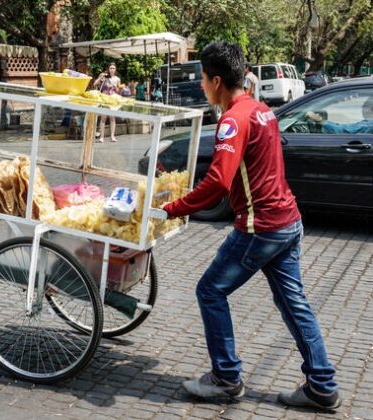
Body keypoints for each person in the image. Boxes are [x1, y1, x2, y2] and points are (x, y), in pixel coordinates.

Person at [161, 41, 340, 410]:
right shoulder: (262, 111)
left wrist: (172, 208)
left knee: (210, 291)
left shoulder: (234, 119)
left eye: (203, 82)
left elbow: (217, 184)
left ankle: (226, 378)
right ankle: (322, 385)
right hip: (288, 221)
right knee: (294, 304)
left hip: (261, 228)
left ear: (215, 80)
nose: (201, 88)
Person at [305, 95, 373, 134]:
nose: (362, 107)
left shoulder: (369, 124)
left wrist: (318, 119)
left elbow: (343, 130)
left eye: (365, 105)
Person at [94, 62, 121, 143]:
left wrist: (115, 88)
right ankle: (101, 137)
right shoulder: (104, 77)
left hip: (112, 99)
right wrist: (101, 77)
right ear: (108, 69)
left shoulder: (117, 79)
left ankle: (112, 136)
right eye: (110, 68)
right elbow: (95, 84)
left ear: (115, 69)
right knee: (103, 118)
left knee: (112, 118)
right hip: (104, 98)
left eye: (113, 68)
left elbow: (119, 90)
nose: (112, 70)